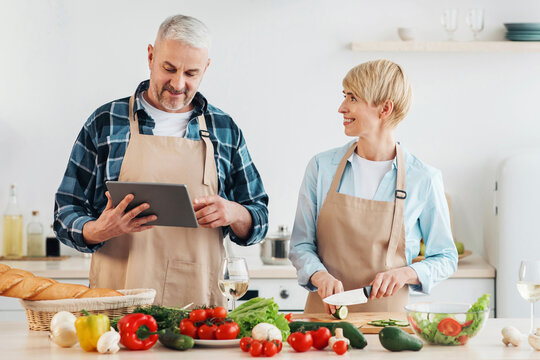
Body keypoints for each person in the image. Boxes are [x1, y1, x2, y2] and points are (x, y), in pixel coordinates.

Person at [54, 15, 269, 306]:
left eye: (191, 73)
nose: (178, 83)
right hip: (118, 304)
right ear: (151, 56)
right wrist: (96, 230)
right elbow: (65, 209)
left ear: (206, 68)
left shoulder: (224, 129)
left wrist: (234, 213)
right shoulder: (106, 122)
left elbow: (259, 218)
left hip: (199, 310)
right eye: (169, 68)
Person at [289, 59, 458, 314]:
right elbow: (301, 245)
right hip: (323, 321)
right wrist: (319, 276)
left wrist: (407, 273)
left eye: (353, 98)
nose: (341, 107)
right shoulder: (321, 167)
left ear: (385, 109)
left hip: (388, 324)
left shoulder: (423, 178)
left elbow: (446, 257)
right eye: (344, 96)